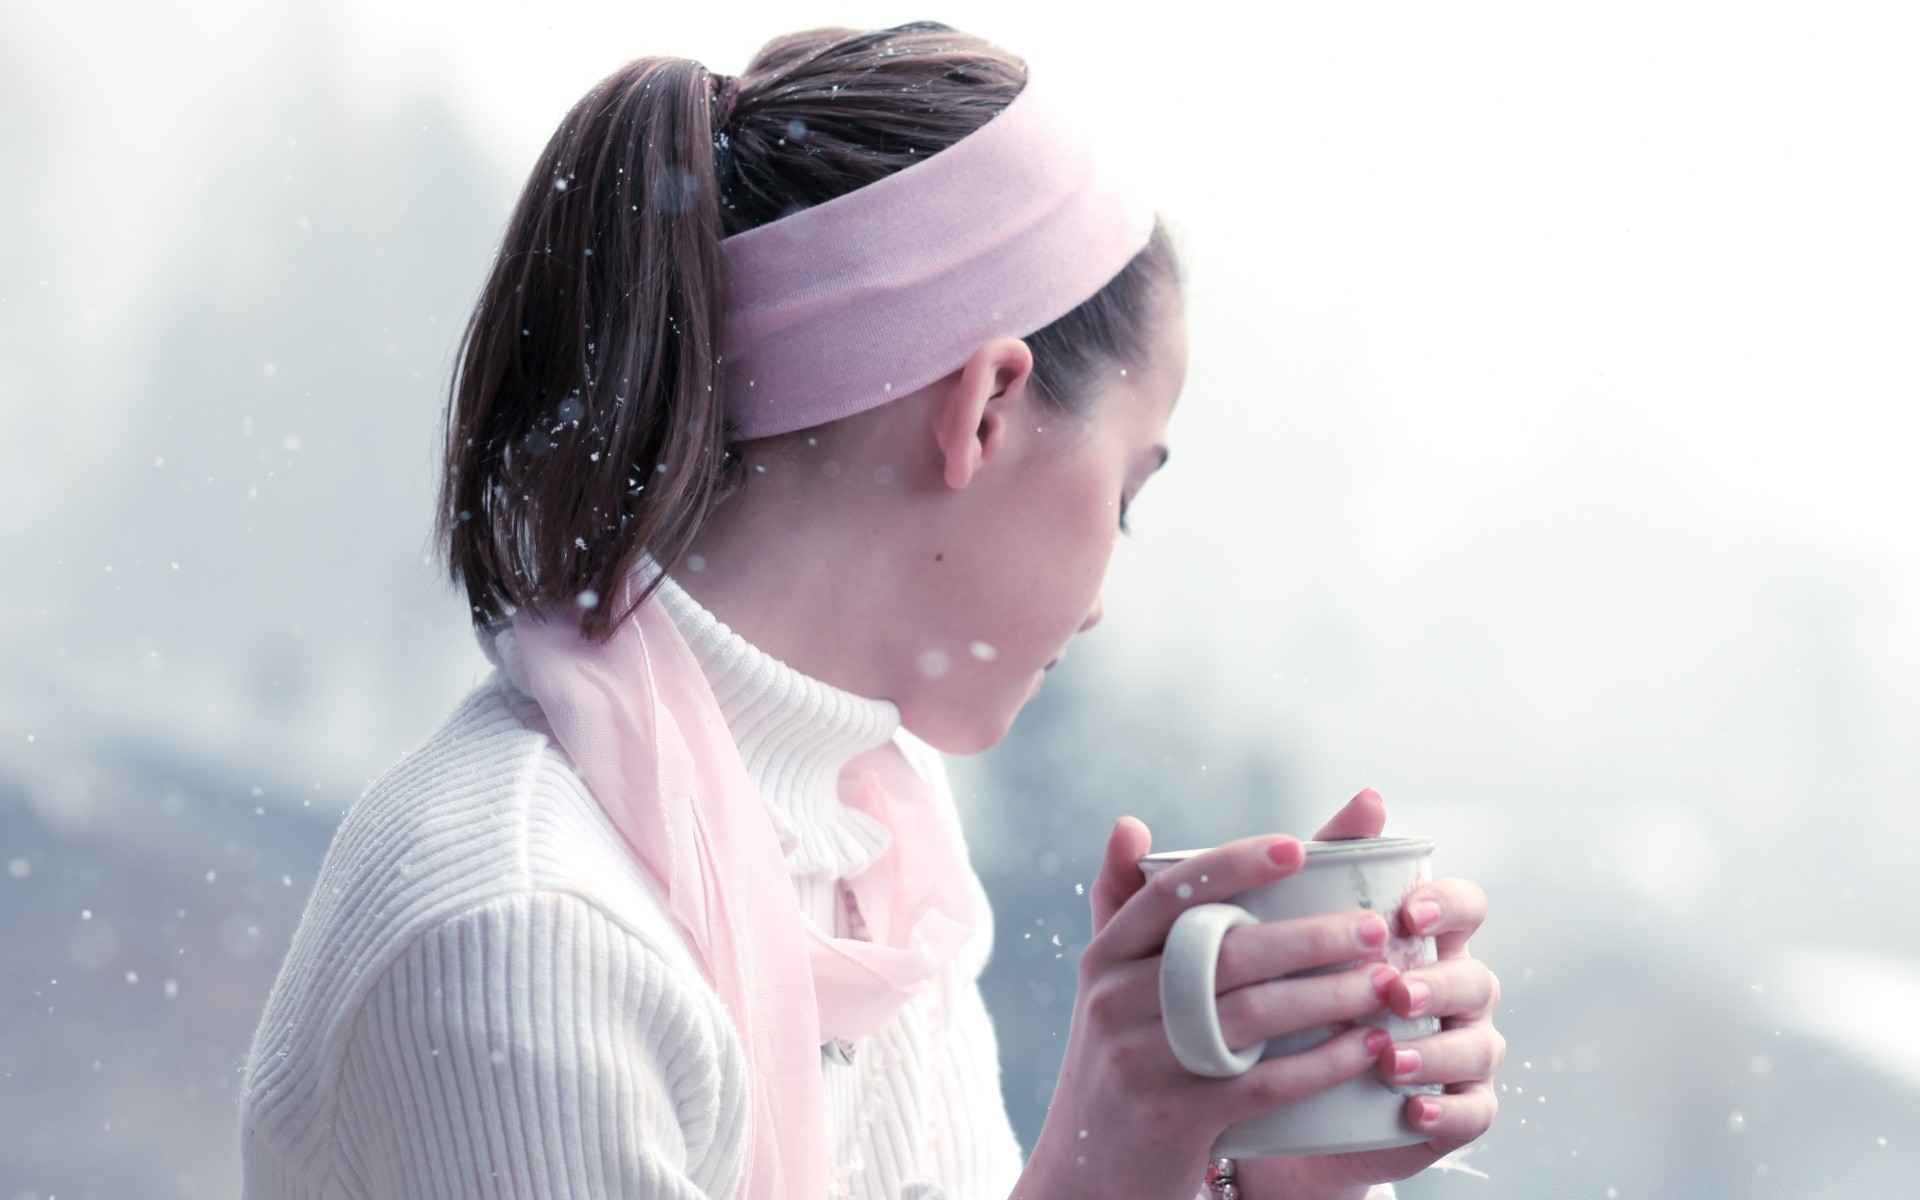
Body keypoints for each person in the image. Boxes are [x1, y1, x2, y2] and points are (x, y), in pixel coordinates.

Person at [238, 21, 1501, 1200]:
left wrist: (1209, 1165)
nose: (1107, 599)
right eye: (1127, 491)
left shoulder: (873, 851)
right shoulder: (525, 938)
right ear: (987, 407)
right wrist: (1101, 1163)